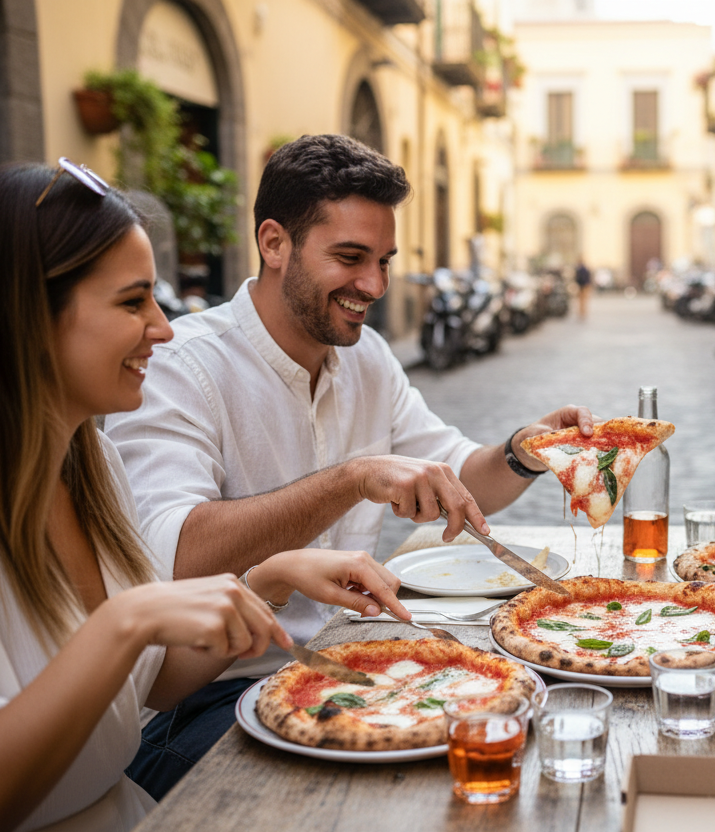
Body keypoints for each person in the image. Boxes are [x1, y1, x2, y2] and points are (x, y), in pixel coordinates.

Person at [103, 134, 594, 798]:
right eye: (350, 258)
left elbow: (456, 475)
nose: (374, 285)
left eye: (385, 260)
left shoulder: (367, 357)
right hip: (198, 701)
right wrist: (352, 477)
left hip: (347, 668)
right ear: (273, 244)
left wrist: (520, 452)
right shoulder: (178, 365)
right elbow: (174, 558)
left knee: (522, 745)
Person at [0, 160, 414, 832]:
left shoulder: (91, 464)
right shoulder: (189, 369)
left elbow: (149, 685)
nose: (162, 328)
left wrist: (268, 581)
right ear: (30, 314)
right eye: (133, 303)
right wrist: (126, 621)